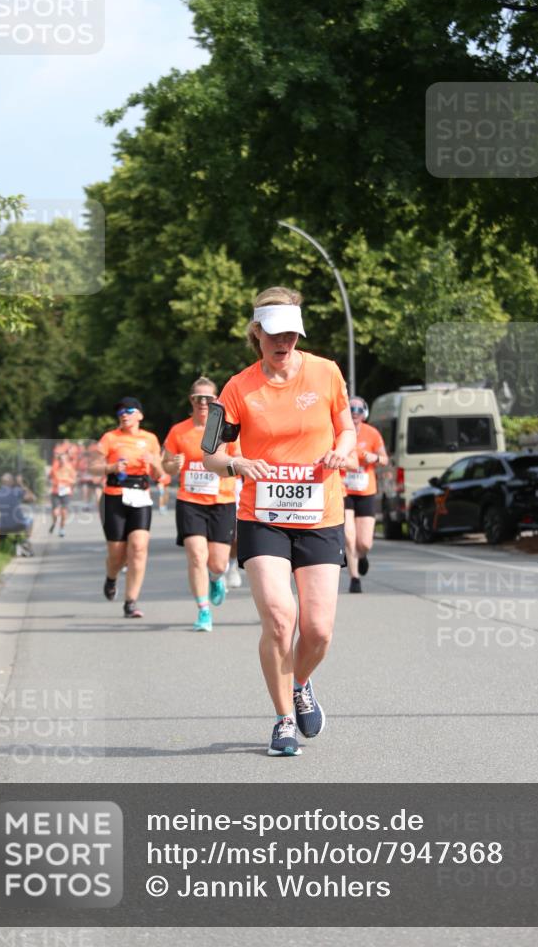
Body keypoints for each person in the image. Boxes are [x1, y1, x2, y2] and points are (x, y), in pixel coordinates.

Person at [203, 287, 356, 756]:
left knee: (318, 630)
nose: (283, 342)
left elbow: (347, 426)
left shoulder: (326, 372)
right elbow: (210, 454)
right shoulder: (236, 388)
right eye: (273, 333)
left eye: (291, 333)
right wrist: (238, 465)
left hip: (319, 512)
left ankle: (300, 683)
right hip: (262, 515)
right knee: (279, 618)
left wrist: (342, 451)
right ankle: (283, 721)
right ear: (256, 333)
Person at [162, 377, 238, 632]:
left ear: (217, 401)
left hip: (222, 501)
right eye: (198, 398)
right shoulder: (178, 431)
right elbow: (166, 465)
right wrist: (173, 465)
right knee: (196, 555)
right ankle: (203, 610)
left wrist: (227, 466)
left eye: (209, 398)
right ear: (191, 401)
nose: (203, 403)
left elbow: (239, 462)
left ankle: (217, 578)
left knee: (217, 563)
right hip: (190, 501)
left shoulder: (228, 430)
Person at [89, 396, 163, 619]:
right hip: (114, 496)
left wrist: (154, 463)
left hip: (140, 496)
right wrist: (111, 467)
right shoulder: (110, 438)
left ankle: (131, 602)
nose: (124, 414)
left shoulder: (150, 439)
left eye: (129, 410)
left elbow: (160, 475)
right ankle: (111, 577)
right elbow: (93, 468)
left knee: (139, 548)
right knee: (117, 554)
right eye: (120, 411)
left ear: (139, 415)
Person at [343, 396, 388, 593]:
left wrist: (375, 457)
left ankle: (362, 556)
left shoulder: (372, 433)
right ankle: (355, 579)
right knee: (349, 537)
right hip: (344, 490)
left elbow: (386, 460)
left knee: (364, 542)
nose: (355, 412)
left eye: (359, 409)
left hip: (366, 491)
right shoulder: (340, 433)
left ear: (365, 413)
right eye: (351, 408)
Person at [0, 473, 36, 555]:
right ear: (11, 481)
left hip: (3, 527)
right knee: (30, 520)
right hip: (19, 525)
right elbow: (33, 498)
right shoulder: (16, 491)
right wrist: (21, 484)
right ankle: (26, 540)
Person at [49, 452, 77, 537]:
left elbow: (74, 480)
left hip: (65, 491)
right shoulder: (54, 468)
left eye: (64, 459)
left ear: (67, 460)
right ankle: (54, 523)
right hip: (55, 491)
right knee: (55, 512)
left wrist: (67, 481)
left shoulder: (70, 468)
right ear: (58, 460)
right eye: (61, 459)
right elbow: (50, 477)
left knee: (64, 512)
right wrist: (53, 482)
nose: (62, 461)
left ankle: (62, 529)